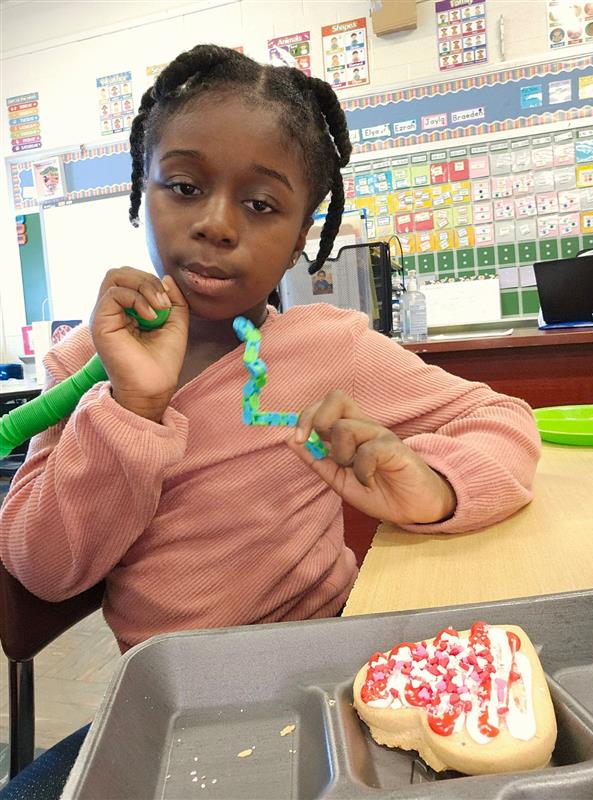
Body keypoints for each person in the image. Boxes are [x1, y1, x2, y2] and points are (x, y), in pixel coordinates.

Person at [1, 44, 540, 796]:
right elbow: (45, 569)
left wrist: (437, 488)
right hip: (175, 711)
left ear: (302, 235)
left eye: (261, 205)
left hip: (329, 674)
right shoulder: (84, 366)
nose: (217, 225)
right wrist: (131, 406)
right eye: (184, 186)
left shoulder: (328, 347)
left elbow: (503, 418)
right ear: (140, 192)